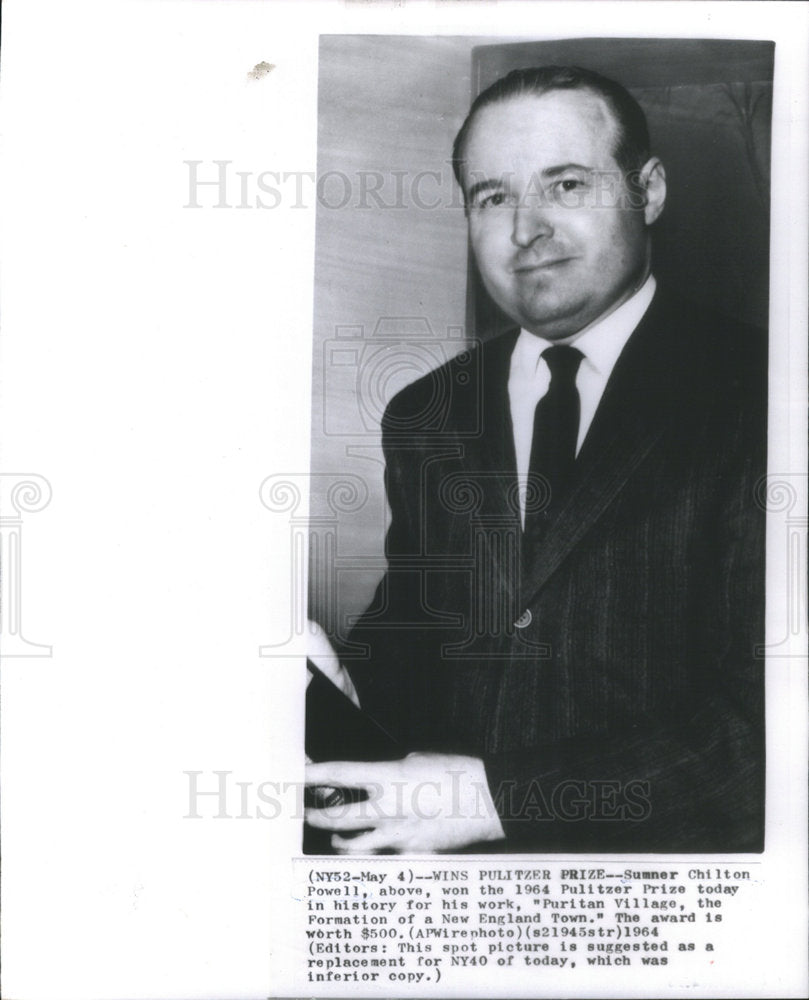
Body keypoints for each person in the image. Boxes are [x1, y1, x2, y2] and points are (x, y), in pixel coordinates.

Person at [305, 66, 766, 854]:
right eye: (492, 197)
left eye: (565, 185)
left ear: (648, 191)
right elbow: (421, 637)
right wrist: (346, 685)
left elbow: (771, 726)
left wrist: (501, 798)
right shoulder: (427, 413)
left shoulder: (762, 395)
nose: (525, 229)